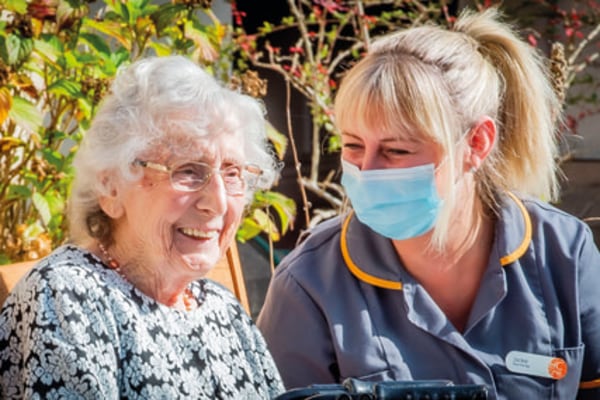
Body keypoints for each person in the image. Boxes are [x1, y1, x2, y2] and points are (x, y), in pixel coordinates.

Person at [257, 7, 600, 400]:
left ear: (476, 144)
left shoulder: (564, 253)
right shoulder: (309, 283)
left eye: (396, 150)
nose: (366, 171)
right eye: (353, 145)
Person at [0, 55, 284, 399]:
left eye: (233, 172)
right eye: (188, 170)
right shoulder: (68, 295)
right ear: (111, 187)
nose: (219, 202)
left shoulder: (220, 307)